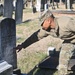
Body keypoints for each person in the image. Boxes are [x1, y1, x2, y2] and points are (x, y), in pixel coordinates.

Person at [14, 10, 75, 75]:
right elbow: (35, 37)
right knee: (62, 62)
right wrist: (23, 45)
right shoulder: (46, 30)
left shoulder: (66, 23)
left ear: (48, 21)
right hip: (70, 41)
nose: (41, 26)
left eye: (42, 23)